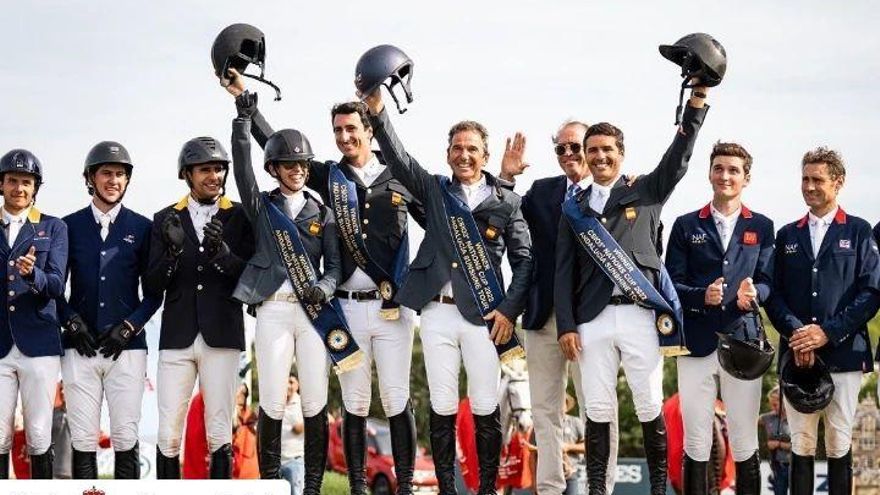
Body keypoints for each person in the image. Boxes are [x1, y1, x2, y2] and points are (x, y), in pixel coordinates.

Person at [224, 69, 423, 495]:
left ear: (369, 129)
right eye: (337, 130)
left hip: (391, 307)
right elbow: (278, 147)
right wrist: (246, 102)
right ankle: (355, 487)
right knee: (352, 402)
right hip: (344, 306)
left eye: (352, 128)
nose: (344, 136)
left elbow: (439, 226)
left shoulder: (400, 177)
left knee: (395, 397)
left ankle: (404, 487)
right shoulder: (330, 177)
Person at [363, 87, 533, 495]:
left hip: (486, 318)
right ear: (448, 154)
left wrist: (509, 311)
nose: (464, 155)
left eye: (472, 148)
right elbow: (400, 159)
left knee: (484, 406)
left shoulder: (506, 201)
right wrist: (377, 110)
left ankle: (487, 488)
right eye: (457, 148)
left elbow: (525, 260)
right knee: (440, 404)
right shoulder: (436, 190)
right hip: (436, 313)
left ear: (485, 156)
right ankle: (446, 488)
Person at [555, 83, 710, 495]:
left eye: (608, 150)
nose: (600, 157)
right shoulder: (574, 206)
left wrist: (695, 104)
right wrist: (566, 325)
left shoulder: (647, 190)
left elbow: (679, 158)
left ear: (620, 154)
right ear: (585, 157)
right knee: (599, 410)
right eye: (593, 151)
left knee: (649, 405)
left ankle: (657, 489)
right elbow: (563, 272)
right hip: (592, 319)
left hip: (643, 315)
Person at [230, 91, 343, 495]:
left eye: (301, 164)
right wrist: (242, 123)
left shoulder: (323, 213)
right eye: (288, 164)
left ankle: (312, 486)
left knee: (314, 400)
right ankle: (269, 484)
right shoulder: (263, 207)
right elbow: (242, 171)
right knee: (272, 400)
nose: (296, 170)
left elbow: (334, 267)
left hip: (313, 311)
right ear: (275, 168)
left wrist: (325, 287)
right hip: (273, 311)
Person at [498, 122, 620, 494]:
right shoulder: (543, 192)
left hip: (591, 319)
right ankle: (550, 487)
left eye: (575, 147)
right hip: (543, 316)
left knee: (598, 409)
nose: (569, 155)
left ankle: (602, 487)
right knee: (544, 411)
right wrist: (505, 177)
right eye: (561, 150)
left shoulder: (616, 193)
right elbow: (503, 215)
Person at [766, 146, 880, 495]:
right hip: (798, 357)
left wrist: (826, 334)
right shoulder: (786, 234)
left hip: (844, 355)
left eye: (818, 179)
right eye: (805, 179)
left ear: (838, 182)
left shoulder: (860, 231)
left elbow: (872, 292)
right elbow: (773, 293)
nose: (810, 186)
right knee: (800, 441)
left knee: (838, 440)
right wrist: (799, 335)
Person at [665, 141, 774, 494]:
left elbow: (770, 282)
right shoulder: (684, 225)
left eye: (733, 170)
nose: (725, 176)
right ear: (710, 172)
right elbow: (671, 284)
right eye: (719, 168)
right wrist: (702, 296)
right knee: (695, 441)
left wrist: (756, 294)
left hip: (743, 344)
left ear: (746, 178)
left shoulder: (762, 225)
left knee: (744, 441)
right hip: (696, 344)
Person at [145, 136, 255, 479]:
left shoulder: (240, 216)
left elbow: (252, 278)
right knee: (168, 432)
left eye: (219, 169)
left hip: (222, 334)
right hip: (177, 335)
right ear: (187, 174)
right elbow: (151, 286)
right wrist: (172, 254)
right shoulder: (164, 217)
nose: (214, 176)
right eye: (205, 169)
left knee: (220, 429)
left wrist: (223, 256)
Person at [58, 141, 161, 479]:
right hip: (80, 348)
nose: (114, 180)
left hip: (127, 350)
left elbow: (154, 293)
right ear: (91, 178)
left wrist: (129, 327)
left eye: (120, 174)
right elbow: (55, 288)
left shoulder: (144, 227)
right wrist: (71, 322)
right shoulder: (67, 226)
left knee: (125, 436)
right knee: (84, 437)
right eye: (106, 173)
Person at [0, 149, 68, 479]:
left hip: (39, 343)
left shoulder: (53, 228)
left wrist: (32, 275)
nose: (19, 188)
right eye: (12, 181)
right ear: (1, 184)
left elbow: (56, 285)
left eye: (26, 182)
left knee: (39, 435)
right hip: (0, 343)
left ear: (35, 187)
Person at [758, 386, 790, 495]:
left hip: (796, 466)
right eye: (771, 404)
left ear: (784, 401)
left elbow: (801, 446)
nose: (773, 407)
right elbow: (749, 421)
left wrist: (778, 444)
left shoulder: (795, 418)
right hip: (778, 467)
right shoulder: (767, 418)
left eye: (775, 404)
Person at [281, 375, 305, 495]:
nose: (288, 385)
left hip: (294, 461)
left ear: (298, 385)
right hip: (276, 462)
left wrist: (301, 427)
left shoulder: (302, 403)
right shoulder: (276, 402)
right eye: (286, 381)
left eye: (291, 382)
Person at [232, 382, 259, 479]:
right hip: (232, 464)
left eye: (244, 392)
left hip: (248, 464)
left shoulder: (250, 415)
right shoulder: (227, 413)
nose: (241, 395)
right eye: (239, 391)